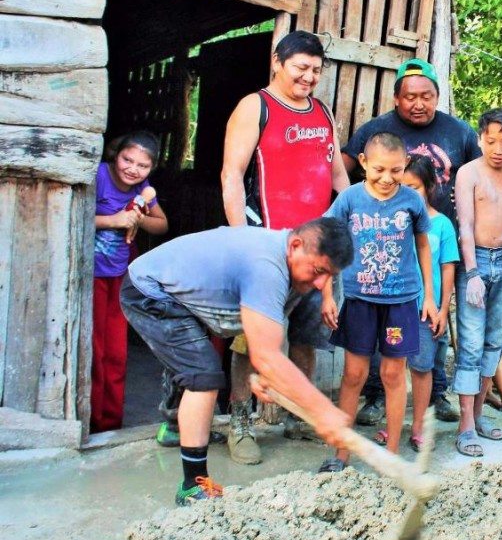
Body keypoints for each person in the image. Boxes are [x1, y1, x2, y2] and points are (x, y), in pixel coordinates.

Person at [120, 218, 354, 505]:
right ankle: (192, 487)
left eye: (328, 276)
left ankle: (175, 428)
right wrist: (324, 411)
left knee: (193, 360)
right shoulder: (267, 266)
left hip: (182, 290)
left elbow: (267, 337)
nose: (320, 283)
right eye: (318, 271)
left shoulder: (290, 262)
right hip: (150, 289)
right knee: (202, 376)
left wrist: (270, 375)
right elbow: (266, 355)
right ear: (296, 245)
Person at [219, 30, 349, 465]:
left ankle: (295, 416)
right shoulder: (254, 107)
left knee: (307, 338)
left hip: (316, 253)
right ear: (278, 61)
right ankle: (240, 422)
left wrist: (343, 241)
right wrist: (241, 240)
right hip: (267, 248)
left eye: (316, 70)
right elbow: (232, 176)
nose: (309, 77)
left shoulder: (322, 112)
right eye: (301, 68)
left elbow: (338, 180)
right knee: (248, 343)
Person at [342, 58, 481, 425]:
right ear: (396, 98)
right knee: (378, 330)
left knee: (433, 320)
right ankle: (374, 397)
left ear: (438, 96)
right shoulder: (376, 131)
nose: (418, 104)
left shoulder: (460, 133)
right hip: (382, 249)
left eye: (427, 96)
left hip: (435, 242)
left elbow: (480, 176)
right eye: (410, 97)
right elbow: (339, 169)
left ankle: (437, 392)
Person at [319, 132, 437, 472]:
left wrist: (428, 295)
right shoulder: (349, 199)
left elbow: (424, 247)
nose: (387, 179)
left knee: (393, 374)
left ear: (405, 167)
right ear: (364, 164)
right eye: (379, 170)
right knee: (354, 374)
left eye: (396, 171)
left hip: (400, 304)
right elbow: (329, 243)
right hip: (359, 302)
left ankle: (394, 454)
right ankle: (340, 453)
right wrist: (327, 293)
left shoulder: (412, 202)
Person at [453, 108, 502, 457]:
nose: (498, 148)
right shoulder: (468, 173)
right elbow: (465, 225)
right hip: (478, 261)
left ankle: (480, 414)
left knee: (494, 344)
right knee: (470, 342)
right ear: (481, 138)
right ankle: (465, 423)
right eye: (492, 140)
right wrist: (471, 273)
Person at [92, 132, 169, 433]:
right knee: (94, 350)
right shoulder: (98, 175)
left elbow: (161, 224)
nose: (133, 169)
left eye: (142, 165)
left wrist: (136, 219)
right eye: (127, 159)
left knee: (115, 351)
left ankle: (110, 423)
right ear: (115, 153)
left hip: (120, 278)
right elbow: (76, 211)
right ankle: (91, 420)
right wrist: (114, 220)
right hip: (93, 276)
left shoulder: (143, 189)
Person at [400, 155, 460, 451]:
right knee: (394, 366)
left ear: (429, 187)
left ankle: (419, 425)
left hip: (427, 310)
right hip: (395, 310)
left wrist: (441, 307)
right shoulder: (393, 222)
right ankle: (393, 422)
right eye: (402, 187)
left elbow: (447, 269)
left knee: (422, 368)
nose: (408, 194)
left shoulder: (442, 225)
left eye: (414, 188)